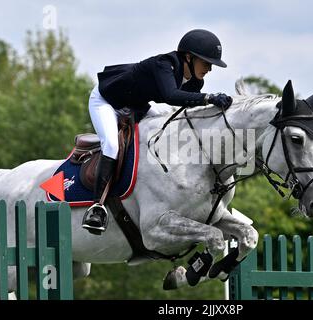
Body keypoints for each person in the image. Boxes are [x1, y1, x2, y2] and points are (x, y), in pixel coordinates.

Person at [82, 29, 233, 234]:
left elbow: (190, 112)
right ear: (188, 57)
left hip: (136, 104)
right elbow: (171, 96)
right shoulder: (165, 64)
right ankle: (96, 207)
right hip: (107, 101)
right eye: (206, 63)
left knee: (165, 124)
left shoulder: (196, 82)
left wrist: (220, 111)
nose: (209, 69)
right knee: (111, 145)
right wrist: (209, 98)